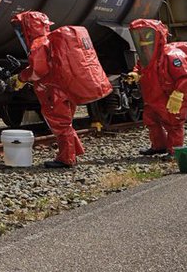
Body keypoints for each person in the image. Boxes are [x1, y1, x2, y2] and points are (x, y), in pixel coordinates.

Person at [8, 10, 110, 168]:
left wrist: (21, 78)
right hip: (67, 88)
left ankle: (66, 158)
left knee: (61, 125)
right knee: (66, 123)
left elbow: (38, 70)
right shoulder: (51, 40)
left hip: (52, 92)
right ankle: (74, 152)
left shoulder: (38, 44)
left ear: (29, 28)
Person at [126, 18, 187, 157]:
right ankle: (159, 146)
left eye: (147, 35)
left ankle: (175, 151)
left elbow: (186, 76)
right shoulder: (146, 57)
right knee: (151, 121)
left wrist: (178, 94)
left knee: (173, 123)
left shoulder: (172, 55)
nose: (143, 40)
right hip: (152, 97)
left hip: (168, 96)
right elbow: (140, 68)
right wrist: (135, 74)